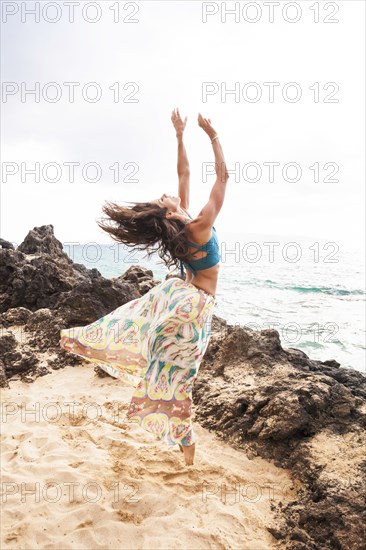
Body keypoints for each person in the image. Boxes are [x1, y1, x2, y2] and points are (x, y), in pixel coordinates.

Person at [59, 108, 229, 466]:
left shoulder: (184, 227)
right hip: (194, 307)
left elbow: (184, 172)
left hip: (177, 297)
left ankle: (97, 340)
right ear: (167, 213)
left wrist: (181, 134)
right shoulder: (197, 224)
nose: (165, 195)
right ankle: (185, 439)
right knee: (179, 377)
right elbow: (223, 177)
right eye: (161, 200)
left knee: (157, 355)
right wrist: (212, 136)